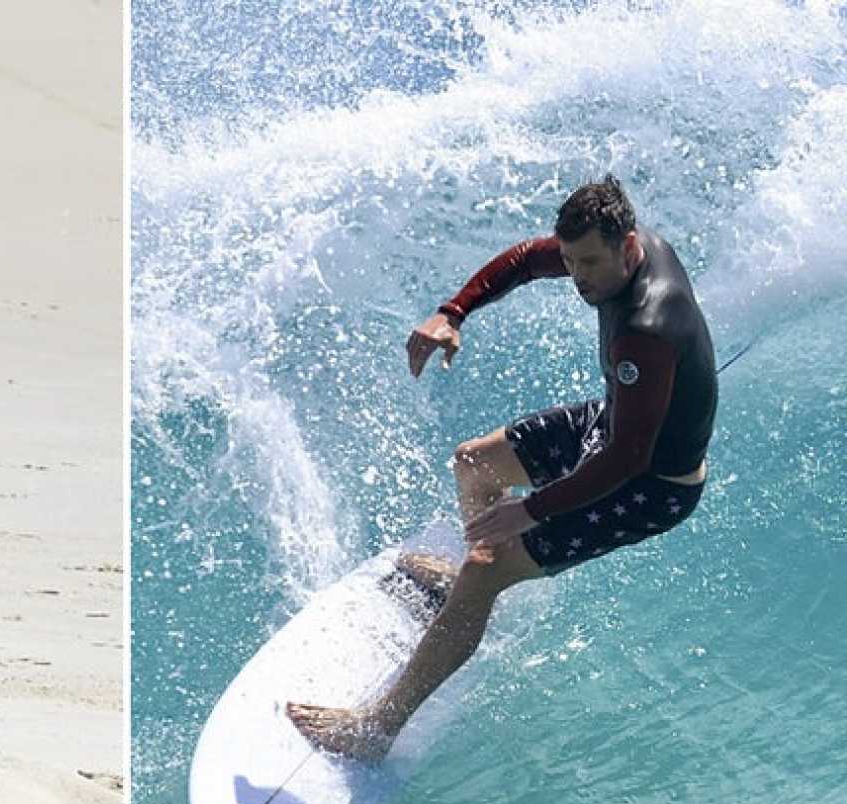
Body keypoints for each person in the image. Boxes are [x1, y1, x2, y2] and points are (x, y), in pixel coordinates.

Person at [288, 175, 717, 762]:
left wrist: (530, 509)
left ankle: (376, 731)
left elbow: (628, 460)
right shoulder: (607, 255)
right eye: (571, 261)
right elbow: (522, 260)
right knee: (474, 463)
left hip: (651, 484)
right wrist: (453, 312)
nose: (578, 276)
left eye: (588, 263)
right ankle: (466, 589)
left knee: (489, 563)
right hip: (616, 425)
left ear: (629, 245)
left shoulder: (646, 327)